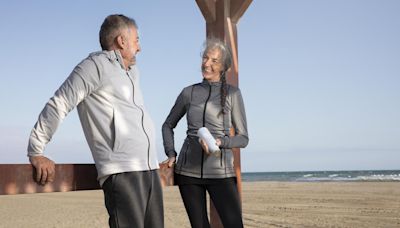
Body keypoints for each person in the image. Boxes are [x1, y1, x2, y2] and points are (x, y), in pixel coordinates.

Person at [27, 14, 163, 228]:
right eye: (136, 40)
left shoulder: (132, 73)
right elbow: (59, 103)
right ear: (121, 41)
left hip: (149, 170)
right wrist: (36, 150)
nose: (139, 47)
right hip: (122, 171)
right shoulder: (93, 66)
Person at [162, 38, 249, 228]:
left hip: (221, 173)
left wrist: (220, 142)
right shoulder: (188, 92)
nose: (206, 63)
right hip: (187, 173)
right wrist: (171, 153)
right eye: (205, 57)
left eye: (214, 60)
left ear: (223, 67)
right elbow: (168, 125)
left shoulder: (233, 94)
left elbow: (243, 138)